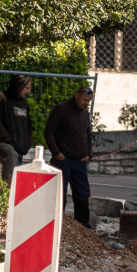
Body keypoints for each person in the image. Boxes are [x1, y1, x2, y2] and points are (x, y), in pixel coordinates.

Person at [45, 86, 94, 229]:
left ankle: (82, 226)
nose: (86, 103)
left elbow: (88, 135)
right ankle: (56, 223)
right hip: (63, 161)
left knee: (82, 194)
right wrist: (56, 153)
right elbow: (48, 132)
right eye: (84, 100)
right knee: (60, 193)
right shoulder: (61, 109)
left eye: (88, 101)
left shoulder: (85, 113)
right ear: (76, 95)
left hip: (80, 161)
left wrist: (89, 154)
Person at [0, 74, 33, 183]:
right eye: (27, 88)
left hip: (18, 148)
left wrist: (27, 143)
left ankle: (11, 188)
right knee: (11, 153)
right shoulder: (0, 98)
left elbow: (28, 126)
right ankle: (6, 187)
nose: (29, 92)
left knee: (16, 174)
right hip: (0, 143)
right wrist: (8, 139)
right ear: (19, 86)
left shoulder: (24, 103)